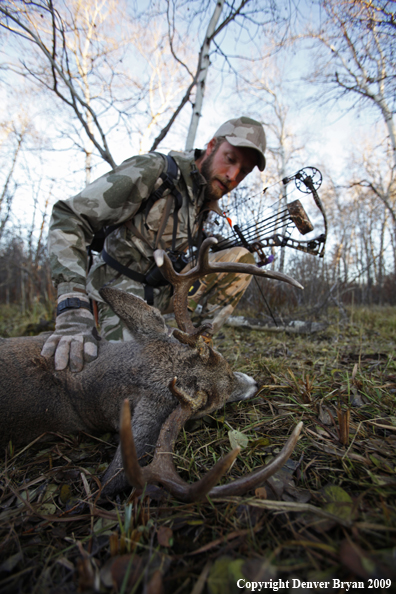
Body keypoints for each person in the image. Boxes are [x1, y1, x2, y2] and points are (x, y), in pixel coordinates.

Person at [42, 117, 266, 372]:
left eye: (244, 171)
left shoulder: (204, 199)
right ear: (212, 145)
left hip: (162, 293)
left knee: (240, 259)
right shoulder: (155, 170)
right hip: (118, 291)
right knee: (135, 378)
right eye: (230, 159)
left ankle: (199, 346)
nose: (232, 176)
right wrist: (72, 305)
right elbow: (70, 216)